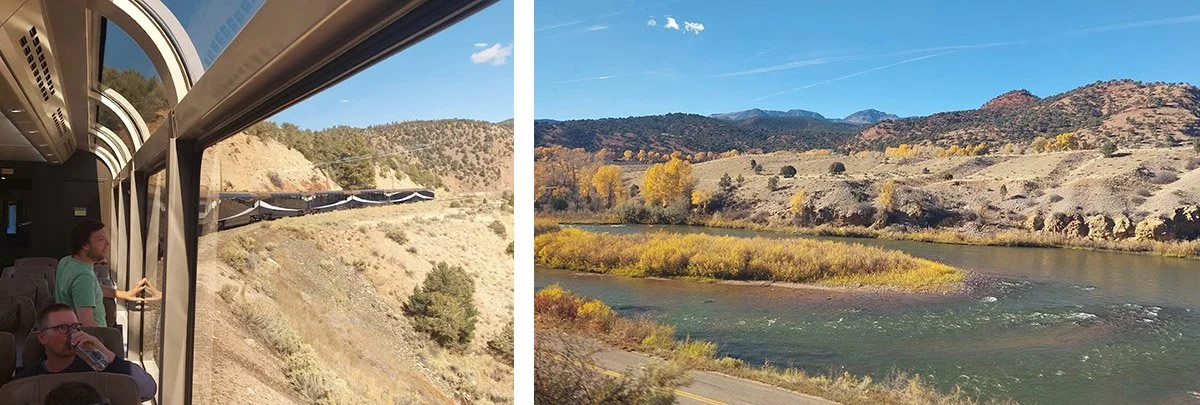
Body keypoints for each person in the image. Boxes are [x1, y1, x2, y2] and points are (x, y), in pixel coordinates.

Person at [16, 304, 155, 401]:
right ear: (42, 337)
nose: (72, 333)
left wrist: (104, 352)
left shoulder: (99, 367)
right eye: (62, 328)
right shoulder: (27, 381)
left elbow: (148, 389)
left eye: (75, 327)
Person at [57, 220, 158, 327]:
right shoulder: (83, 277)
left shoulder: (66, 262)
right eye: (101, 240)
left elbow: (91, 288)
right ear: (85, 245)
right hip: (96, 338)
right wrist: (105, 341)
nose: (107, 244)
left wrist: (125, 294)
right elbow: (87, 325)